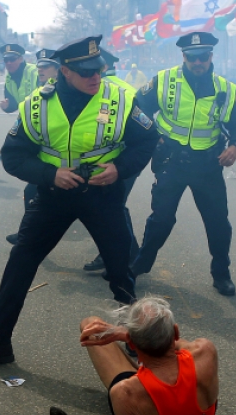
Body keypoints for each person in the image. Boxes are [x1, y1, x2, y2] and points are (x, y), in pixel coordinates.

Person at [0, 35, 159, 369]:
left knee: (120, 273)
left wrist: (120, 169)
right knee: (19, 266)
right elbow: (12, 156)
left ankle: (136, 343)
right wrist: (49, 174)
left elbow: (148, 139)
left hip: (102, 195)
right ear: (65, 71)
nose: (95, 76)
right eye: (85, 72)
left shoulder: (120, 98)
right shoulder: (37, 104)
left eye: (98, 69)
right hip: (54, 196)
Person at [50, 296, 219, 415]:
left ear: (131, 343)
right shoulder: (206, 350)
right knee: (157, 370)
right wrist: (127, 334)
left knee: (89, 324)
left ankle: (143, 365)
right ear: (176, 332)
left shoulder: (126, 394)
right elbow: (174, 345)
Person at [132, 32, 236, 296]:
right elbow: (137, 107)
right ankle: (140, 264)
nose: (197, 62)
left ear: (211, 56)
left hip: (207, 165)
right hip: (171, 161)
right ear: (183, 57)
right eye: (192, 57)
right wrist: (151, 135)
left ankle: (221, 272)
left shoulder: (225, 88)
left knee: (218, 222)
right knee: (161, 220)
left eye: (202, 57)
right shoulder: (164, 80)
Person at [83, 49, 142, 272]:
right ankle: (125, 254)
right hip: (122, 160)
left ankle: (122, 257)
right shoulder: (123, 88)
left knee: (111, 207)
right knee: (113, 207)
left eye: (92, 70)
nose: (90, 76)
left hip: (119, 161)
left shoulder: (114, 91)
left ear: (103, 68)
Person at [5, 48, 60, 245]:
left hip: (70, 159)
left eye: (46, 66)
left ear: (57, 69)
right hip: (50, 157)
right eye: (39, 66)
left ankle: (126, 255)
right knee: (33, 193)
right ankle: (28, 236)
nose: (41, 70)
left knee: (99, 215)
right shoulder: (42, 91)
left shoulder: (61, 91)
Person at [0, 43, 39, 114]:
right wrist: (7, 107)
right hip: (27, 116)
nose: (9, 63)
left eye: (12, 59)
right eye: (6, 60)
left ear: (20, 59)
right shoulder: (9, 79)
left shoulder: (35, 72)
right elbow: (13, 103)